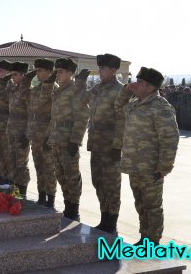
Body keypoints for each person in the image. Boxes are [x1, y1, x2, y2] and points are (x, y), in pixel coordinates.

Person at [115, 67, 179, 245]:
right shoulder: (135, 104)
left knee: (152, 207)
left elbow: (170, 139)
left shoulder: (161, 107)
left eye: (140, 82)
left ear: (151, 87)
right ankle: (144, 238)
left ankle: (153, 242)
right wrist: (125, 90)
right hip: (134, 166)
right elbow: (118, 108)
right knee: (140, 204)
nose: (136, 84)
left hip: (151, 168)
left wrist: (164, 168)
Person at [47, 58, 89, 221]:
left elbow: (82, 116)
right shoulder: (58, 90)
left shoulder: (75, 90)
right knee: (60, 174)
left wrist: (75, 140)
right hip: (56, 138)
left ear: (71, 73)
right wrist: (48, 136)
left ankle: (74, 208)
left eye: (61, 71)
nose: (58, 74)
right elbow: (54, 116)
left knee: (72, 175)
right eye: (57, 71)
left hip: (67, 139)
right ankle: (67, 205)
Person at [87, 53, 124, 234]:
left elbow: (122, 120)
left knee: (112, 184)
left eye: (103, 68)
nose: (100, 71)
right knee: (98, 181)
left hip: (110, 146)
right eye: (99, 68)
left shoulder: (120, 91)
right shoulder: (96, 89)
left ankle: (112, 223)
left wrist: (117, 146)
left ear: (114, 70)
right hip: (97, 143)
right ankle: (104, 218)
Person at [25, 58, 58, 207]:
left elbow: (54, 116)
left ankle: (50, 199)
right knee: (39, 167)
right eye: (36, 70)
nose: (37, 73)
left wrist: (49, 136)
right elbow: (31, 113)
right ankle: (41, 196)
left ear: (49, 72)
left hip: (46, 137)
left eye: (40, 70)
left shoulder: (54, 90)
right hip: (35, 136)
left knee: (49, 169)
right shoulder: (36, 89)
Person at [7, 61, 31, 197]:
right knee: (12, 162)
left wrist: (26, 134)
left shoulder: (27, 91)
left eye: (15, 74)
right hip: (11, 131)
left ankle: (22, 192)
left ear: (23, 75)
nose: (12, 77)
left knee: (21, 164)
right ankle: (14, 190)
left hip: (22, 133)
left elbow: (30, 113)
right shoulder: (14, 89)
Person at [0, 60, 14, 184]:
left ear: (8, 72)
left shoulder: (11, 85)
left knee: (7, 156)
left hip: (6, 126)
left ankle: (9, 184)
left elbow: (6, 103)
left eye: (1, 70)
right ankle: (0, 180)